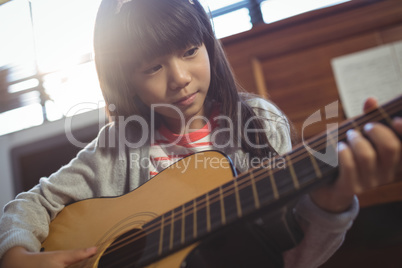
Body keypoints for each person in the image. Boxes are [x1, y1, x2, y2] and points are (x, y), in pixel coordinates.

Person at [0, 0, 401, 267]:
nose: (180, 79)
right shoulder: (117, 148)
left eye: (190, 50)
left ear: (208, 45)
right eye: (152, 68)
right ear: (128, 85)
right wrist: (15, 253)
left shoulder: (261, 122)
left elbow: (295, 258)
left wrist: (331, 202)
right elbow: (30, 203)